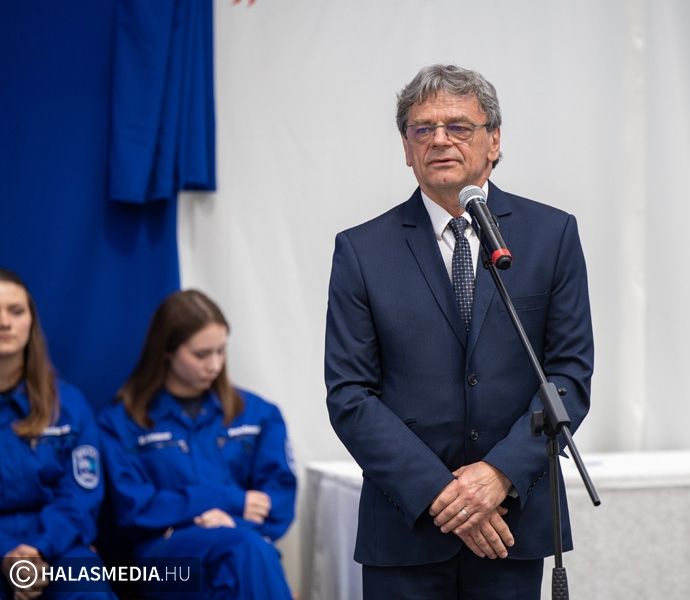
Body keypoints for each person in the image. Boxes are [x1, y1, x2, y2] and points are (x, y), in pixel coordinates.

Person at [324, 64, 594, 599]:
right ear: (407, 148)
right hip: (406, 529)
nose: (440, 140)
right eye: (423, 128)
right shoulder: (361, 250)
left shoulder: (551, 235)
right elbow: (350, 395)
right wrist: (442, 494)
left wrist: (498, 475)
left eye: (458, 127)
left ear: (494, 141)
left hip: (512, 524)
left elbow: (568, 375)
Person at [97, 289, 297, 599]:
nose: (214, 365)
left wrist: (232, 522)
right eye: (201, 355)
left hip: (243, 541)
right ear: (166, 351)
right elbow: (135, 509)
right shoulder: (121, 423)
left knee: (242, 561)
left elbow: (279, 498)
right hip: (165, 556)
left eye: (221, 351)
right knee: (246, 555)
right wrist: (227, 500)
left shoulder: (259, 414)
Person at [0, 269, 115, 599]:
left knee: (89, 590)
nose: (4, 323)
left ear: (31, 322)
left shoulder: (68, 404)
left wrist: (40, 548)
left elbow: (81, 493)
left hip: (56, 542)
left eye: (16, 311)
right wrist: (7, 553)